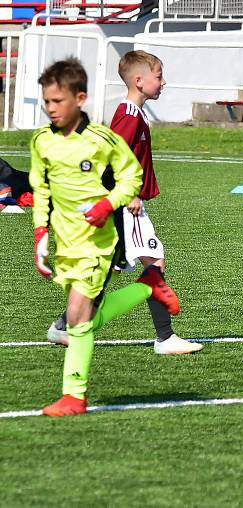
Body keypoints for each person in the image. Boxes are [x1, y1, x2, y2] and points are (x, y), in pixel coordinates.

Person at [30, 58, 180, 416]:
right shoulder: (42, 142)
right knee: (84, 318)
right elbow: (40, 187)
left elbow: (125, 173)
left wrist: (113, 202)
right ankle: (148, 289)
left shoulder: (104, 135)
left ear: (79, 99)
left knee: (84, 316)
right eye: (47, 101)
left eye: (58, 101)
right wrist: (40, 232)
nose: (50, 108)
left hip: (102, 230)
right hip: (69, 237)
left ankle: (75, 395)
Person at [47, 50, 202, 355]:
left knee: (106, 274)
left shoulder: (136, 113)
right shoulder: (128, 116)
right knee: (154, 263)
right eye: (159, 76)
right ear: (139, 80)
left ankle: (62, 326)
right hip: (126, 205)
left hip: (127, 203)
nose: (163, 82)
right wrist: (127, 192)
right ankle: (164, 337)